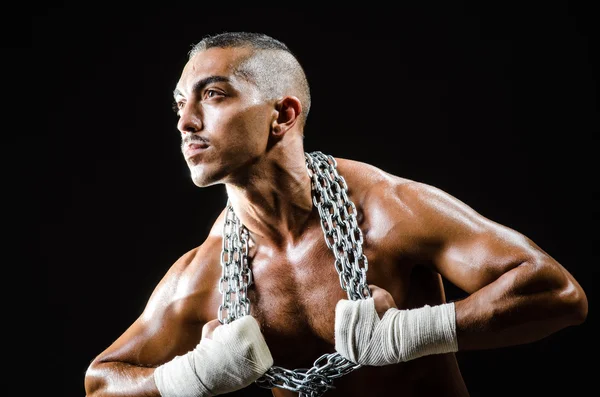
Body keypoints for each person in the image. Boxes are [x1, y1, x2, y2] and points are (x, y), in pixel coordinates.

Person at [83, 31, 588, 397]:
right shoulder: (209, 272)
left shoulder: (387, 210)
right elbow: (101, 384)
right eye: (178, 106)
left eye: (213, 95)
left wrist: (405, 336)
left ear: (283, 115)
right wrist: (191, 376)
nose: (186, 122)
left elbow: (556, 292)